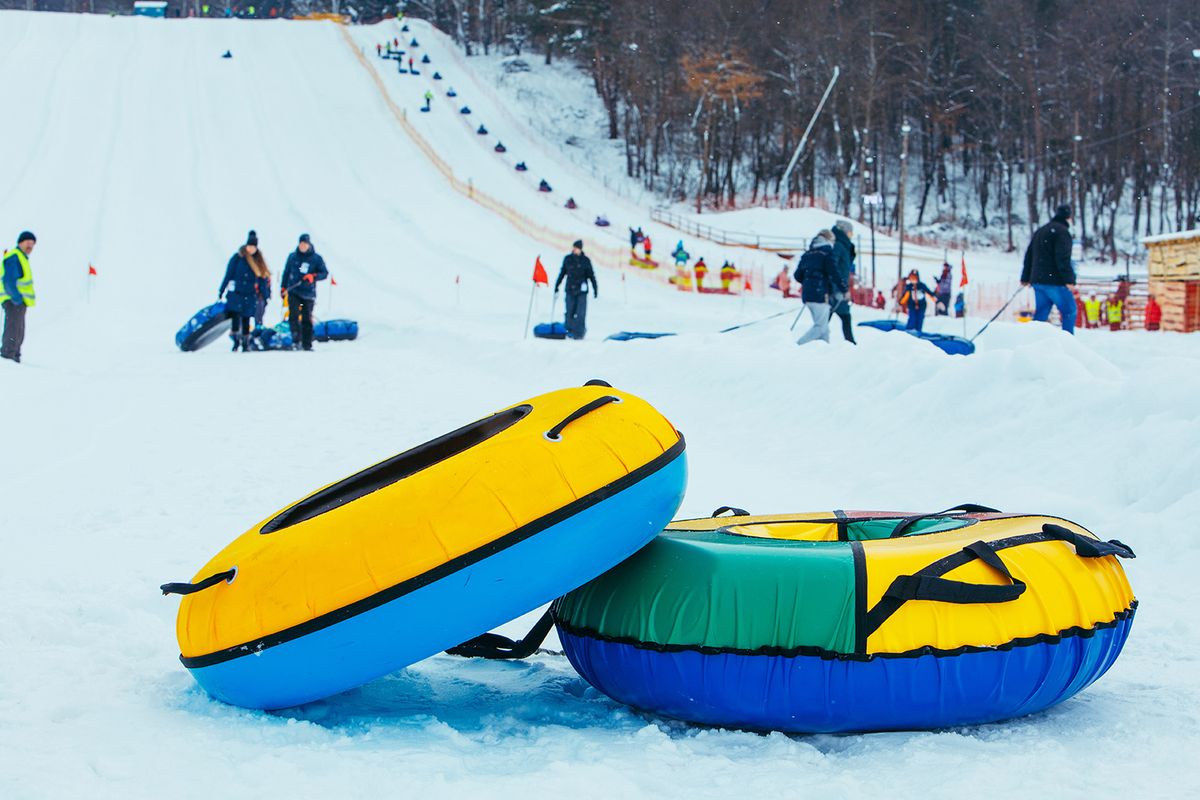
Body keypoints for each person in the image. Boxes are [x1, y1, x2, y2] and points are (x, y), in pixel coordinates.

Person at [1021, 204, 1077, 333]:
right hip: (1055, 281)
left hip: (1038, 280)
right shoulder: (1062, 232)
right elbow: (1063, 258)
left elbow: (1029, 254)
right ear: (1068, 217)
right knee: (1069, 310)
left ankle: (1034, 341)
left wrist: (1025, 277)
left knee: (1041, 314)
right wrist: (1069, 280)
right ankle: (1068, 342)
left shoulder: (1041, 230)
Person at [219, 231, 271, 352]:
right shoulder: (238, 258)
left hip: (250, 293)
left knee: (247, 318)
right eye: (249, 246)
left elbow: (262, 280)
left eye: (253, 247)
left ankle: (245, 343)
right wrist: (222, 289)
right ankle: (236, 341)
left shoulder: (258, 261)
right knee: (235, 317)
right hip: (236, 293)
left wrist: (265, 295)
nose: (251, 249)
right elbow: (229, 274)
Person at [793, 231, 845, 346]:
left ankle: (824, 353)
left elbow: (797, 275)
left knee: (824, 329)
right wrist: (843, 287)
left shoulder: (808, 254)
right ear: (828, 240)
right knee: (820, 327)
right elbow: (834, 272)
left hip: (808, 295)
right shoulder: (826, 252)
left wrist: (809, 282)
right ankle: (797, 346)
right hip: (820, 294)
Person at [281, 233, 329, 351]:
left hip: (308, 294)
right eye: (301, 244)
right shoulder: (292, 257)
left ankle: (307, 344)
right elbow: (286, 272)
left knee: (307, 318)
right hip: (294, 291)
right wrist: (283, 287)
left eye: (305, 244)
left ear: (309, 244)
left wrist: (313, 276)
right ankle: (296, 340)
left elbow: (324, 273)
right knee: (293, 316)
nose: (303, 246)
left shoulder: (316, 258)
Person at [1, 231, 36, 364]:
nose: (30, 246)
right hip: (13, 301)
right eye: (28, 242)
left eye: (32, 244)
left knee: (18, 330)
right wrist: (16, 299)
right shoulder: (14, 257)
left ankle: (14, 355)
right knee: (13, 329)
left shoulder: (21, 257)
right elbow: (9, 280)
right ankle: (8, 356)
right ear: (20, 242)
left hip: (18, 301)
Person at [554, 240, 597, 340]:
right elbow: (562, 273)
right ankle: (569, 332)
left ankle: (579, 333)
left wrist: (595, 289)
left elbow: (591, 276)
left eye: (576, 248)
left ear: (580, 249)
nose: (574, 249)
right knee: (570, 311)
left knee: (581, 313)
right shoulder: (568, 259)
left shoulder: (586, 261)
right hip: (570, 289)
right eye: (573, 247)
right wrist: (557, 285)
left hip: (582, 291)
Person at [830, 220, 857, 344]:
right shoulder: (838, 245)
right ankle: (850, 342)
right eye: (850, 233)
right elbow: (832, 266)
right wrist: (837, 287)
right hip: (836, 288)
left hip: (840, 287)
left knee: (843, 316)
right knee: (842, 316)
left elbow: (845, 265)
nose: (851, 236)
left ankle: (850, 342)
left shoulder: (844, 246)